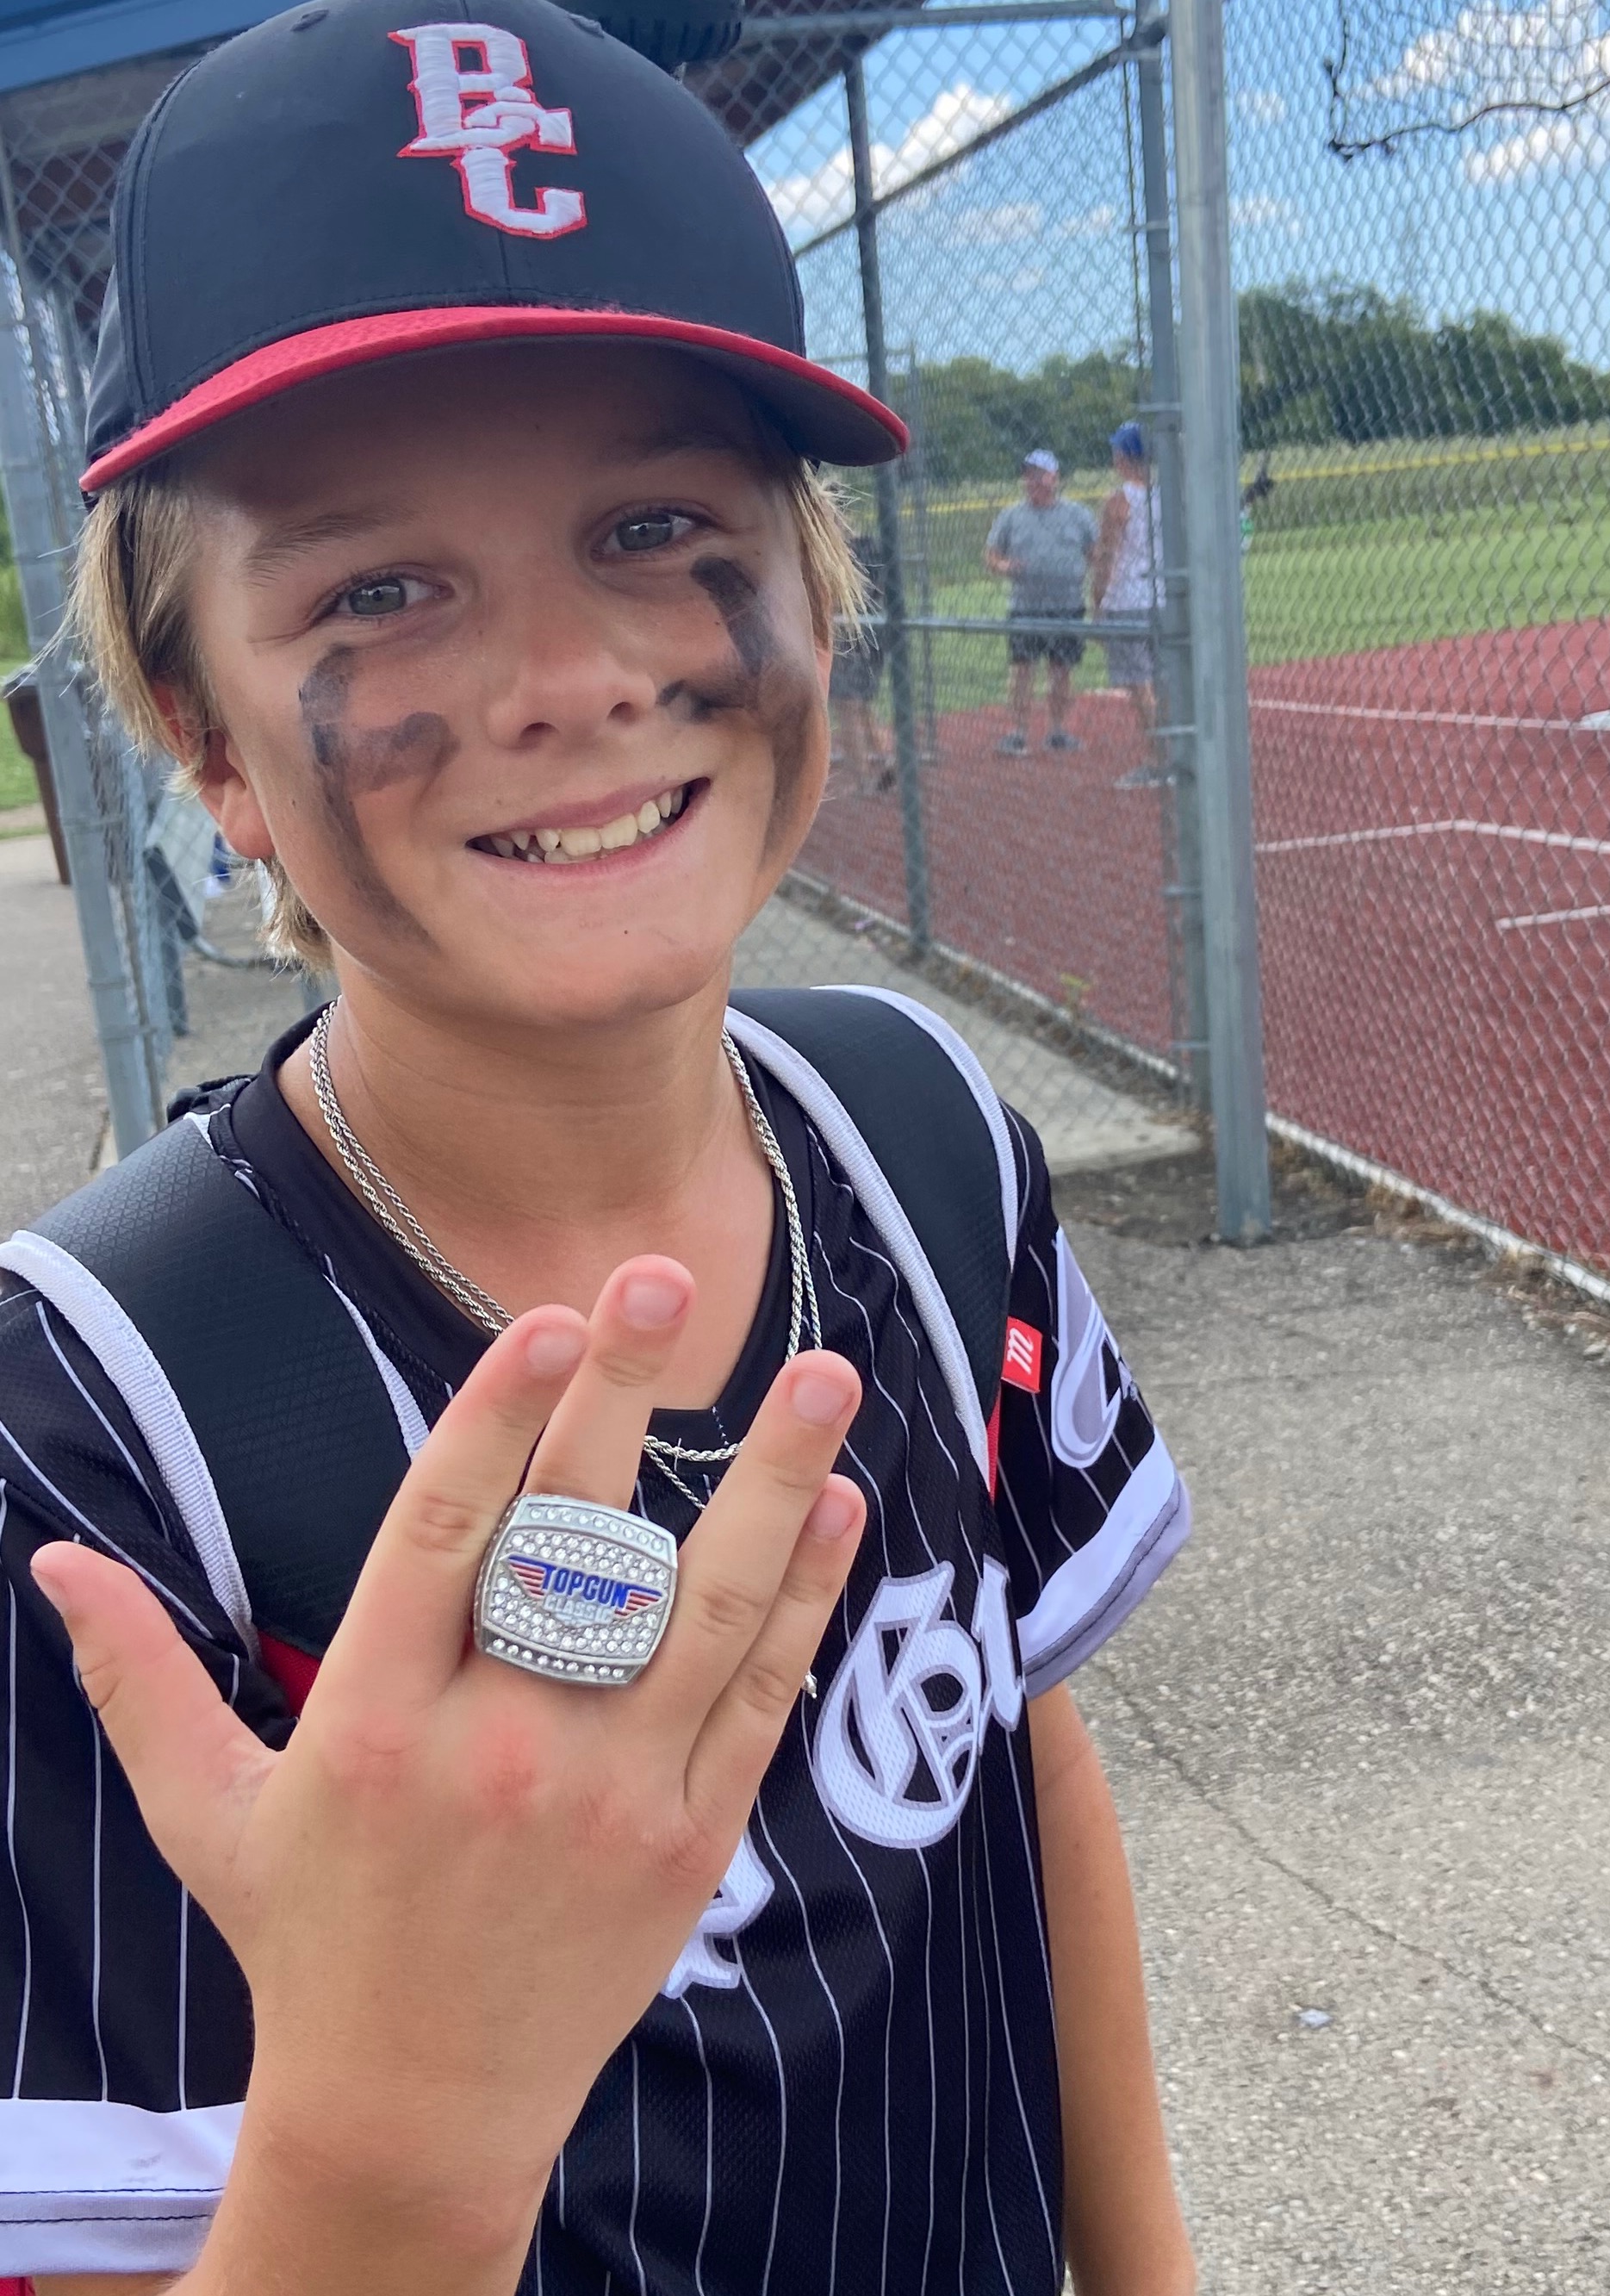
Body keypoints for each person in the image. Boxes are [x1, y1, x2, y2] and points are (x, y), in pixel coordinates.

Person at [0, 5, 1197, 2293]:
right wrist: (397, 2134)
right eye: (375, 590)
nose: (568, 676)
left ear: (814, 588)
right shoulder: (91, 1431)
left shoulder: (918, 1134)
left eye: (657, 529)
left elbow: (1021, 1767)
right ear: (205, 736)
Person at [984, 450, 1096, 755]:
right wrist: (1005, 566)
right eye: (1028, 475)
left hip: (1067, 605)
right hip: (1025, 606)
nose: (1032, 481)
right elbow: (991, 555)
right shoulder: (1011, 516)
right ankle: (1018, 732)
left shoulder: (1078, 514)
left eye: (1039, 474)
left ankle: (1057, 731)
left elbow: (1095, 553)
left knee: (1061, 670)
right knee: (1022, 670)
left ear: (1055, 477)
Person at [1092, 421, 1166, 790]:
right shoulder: (1169, 493)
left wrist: (1097, 599)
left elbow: (1107, 556)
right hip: (1164, 595)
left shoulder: (1119, 500)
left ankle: (1158, 759)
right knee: (1164, 681)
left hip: (1127, 598)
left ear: (1124, 456)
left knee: (1140, 685)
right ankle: (1172, 753)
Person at [826, 528, 888, 791]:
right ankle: (884, 760)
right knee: (861, 703)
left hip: (852, 634)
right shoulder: (869, 546)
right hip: (874, 632)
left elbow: (840, 600)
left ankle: (864, 779)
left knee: (847, 705)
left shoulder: (847, 551)